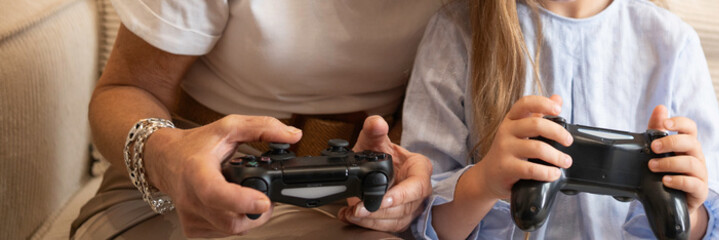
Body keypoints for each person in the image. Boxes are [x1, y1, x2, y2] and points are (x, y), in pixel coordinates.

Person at [72, 1, 444, 238]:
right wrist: (168, 157)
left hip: (348, 200)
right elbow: (123, 89)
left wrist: (403, 179)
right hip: (186, 191)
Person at [402, 0, 719, 239]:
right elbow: (417, 215)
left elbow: (710, 216)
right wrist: (484, 182)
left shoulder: (672, 43)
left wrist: (687, 213)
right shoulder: (457, 31)